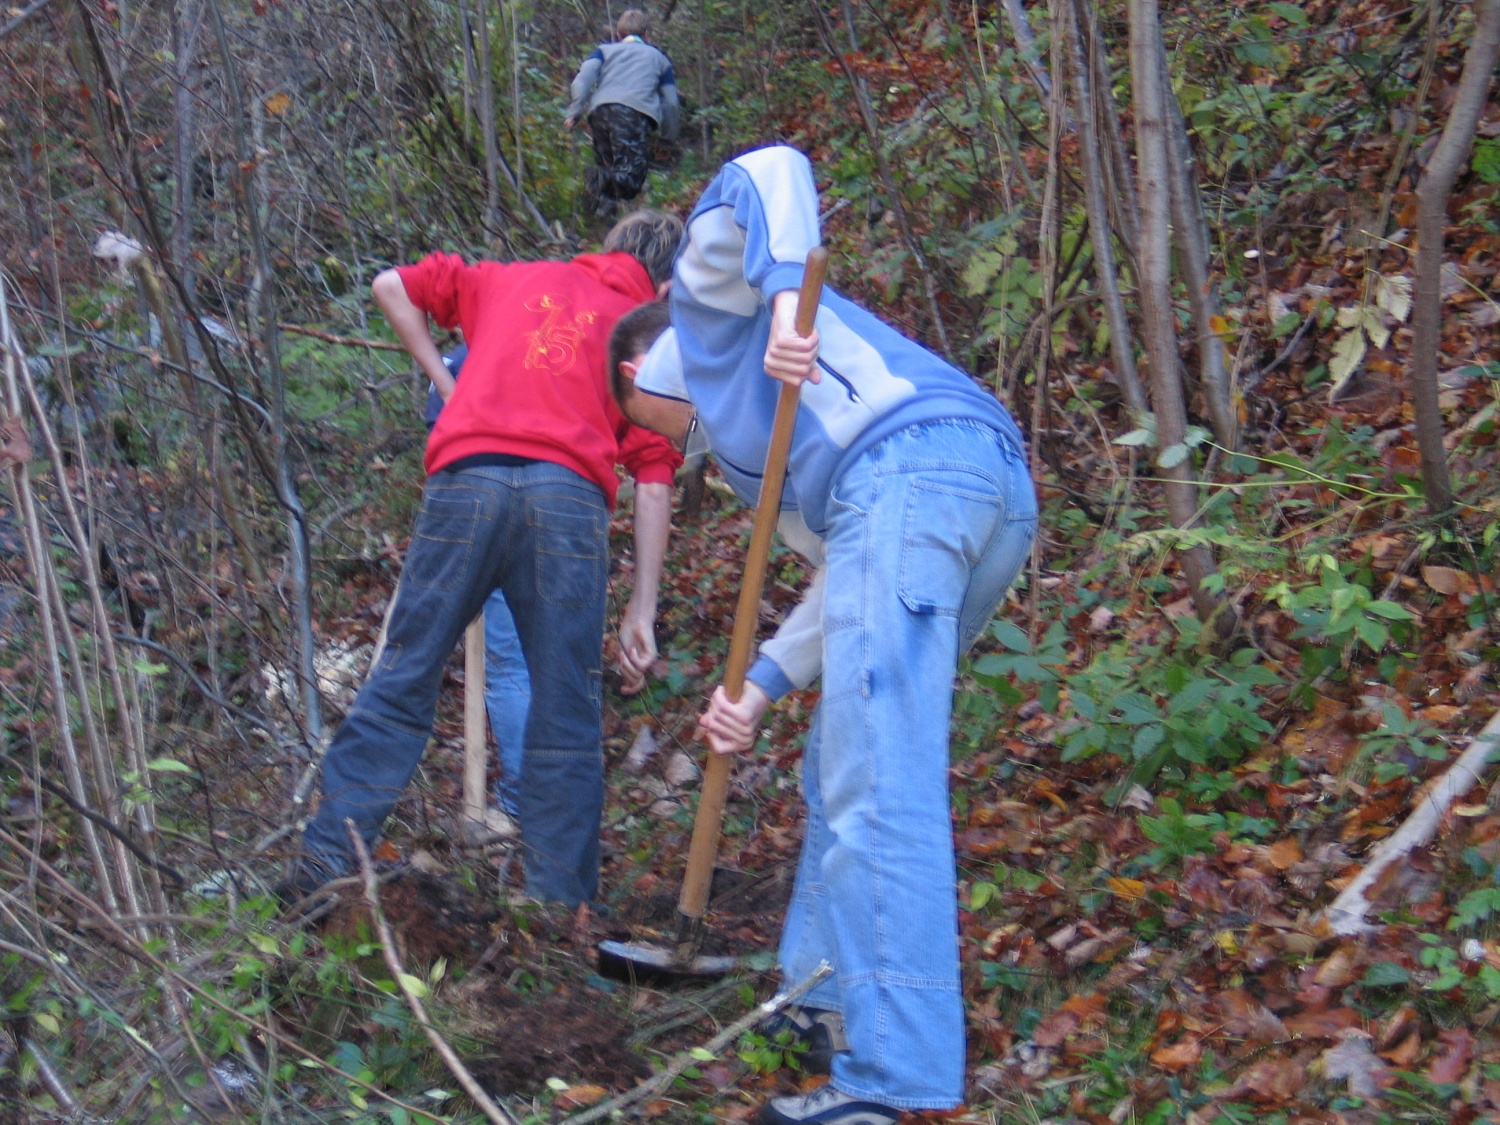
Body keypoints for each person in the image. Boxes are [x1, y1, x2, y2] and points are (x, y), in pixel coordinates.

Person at [612, 146, 1037, 1125]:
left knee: (875, 776)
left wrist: (778, 308)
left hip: (919, 458)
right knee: (848, 754)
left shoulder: (705, 309)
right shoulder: (748, 461)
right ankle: (819, 999)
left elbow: (769, 171)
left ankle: (892, 1085)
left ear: (641, 368)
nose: (649, 439)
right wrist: (758, 683)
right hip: (968, 499)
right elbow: (848, 566)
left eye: (633, 414)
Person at [287, 209, 686, 909]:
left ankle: (324, 864)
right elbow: (654, 475)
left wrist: (448, 385)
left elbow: (391, 286)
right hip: (567, 501)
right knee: (565, 706)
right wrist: (643, 607)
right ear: (667, 283)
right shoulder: (646, 330)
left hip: (465, 481)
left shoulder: (511, 279)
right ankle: (558, 910)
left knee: (404, 673)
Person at [423, 346, 529, 839]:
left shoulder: (455, 365)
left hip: (483, 517)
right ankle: (553, 804)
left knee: (508, 667)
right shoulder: (542, 353)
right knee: (540, 664)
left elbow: (444, 459)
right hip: (559, 513)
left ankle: (516, 806)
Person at [564, 9, 680, 211]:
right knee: (630, 180)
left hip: (599, 114)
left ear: (618, 35)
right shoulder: (659, 58)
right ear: (646, 35)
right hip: (633, 114)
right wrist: (668, 137)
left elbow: (582, 80)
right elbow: (670, 102)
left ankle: (602, 221)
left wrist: (575, 110)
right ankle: (600, 186)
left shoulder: (604, 50)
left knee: (611, 176)